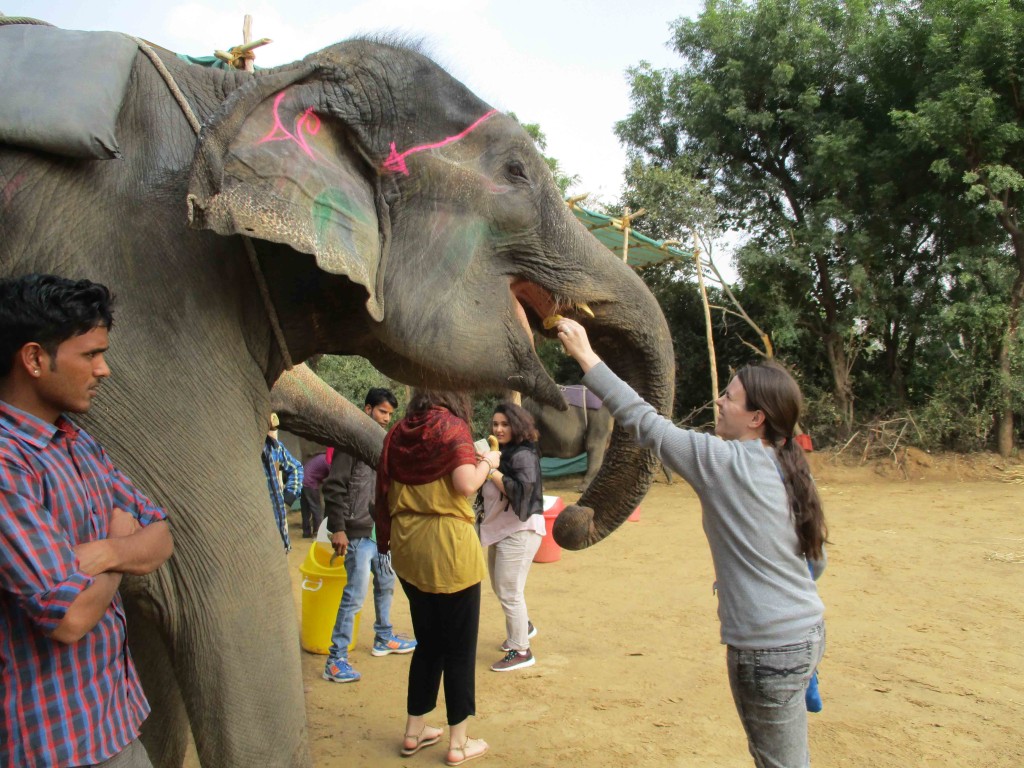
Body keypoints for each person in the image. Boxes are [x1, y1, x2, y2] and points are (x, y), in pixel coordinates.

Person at [555, 317, 827, 768]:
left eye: (730, 397)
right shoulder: (789, 462)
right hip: (808, 632)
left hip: (766, 650)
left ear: (756, 418)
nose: (718, 402)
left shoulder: (721, 462)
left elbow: (643, 420)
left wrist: (586, 356)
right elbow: (814, 563)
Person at [0, 273, 174, 768]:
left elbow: (160, 535)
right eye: (91, 354)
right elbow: (69, 618)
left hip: (113, 721)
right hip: (53, 745)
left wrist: (106, 552)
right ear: (34, 359)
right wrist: (123, 547)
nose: (105, 370)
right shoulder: (6, 464)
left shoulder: (75, 439)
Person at [375, 389, 500, 766]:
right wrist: (489, 464)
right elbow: (465, 484)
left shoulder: (398, 432)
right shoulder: (453, 428)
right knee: (459, 647)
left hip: (409, 547)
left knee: (428, 642)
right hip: (449, 549)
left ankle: (414, 732)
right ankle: (459, 743)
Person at [321, 387, 415, 684]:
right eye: (382, 411)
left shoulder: (385, 445)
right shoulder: (350, 444)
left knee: (386, 584)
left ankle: (384, 637)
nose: (386, 418)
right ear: (367, 409)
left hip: (381, 535)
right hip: (356, 534)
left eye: (390, 413)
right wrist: (338, 528)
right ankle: (335, 660)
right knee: (354, 596)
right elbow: (333, 487)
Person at [479, 402, 545, 672]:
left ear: (517, 426)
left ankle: (521, 650)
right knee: (501, 587)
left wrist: (491, 471)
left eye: (505, 424)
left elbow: (522, 493)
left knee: (509, 591)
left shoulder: (523, 456)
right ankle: (524, 626)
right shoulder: (501, 453)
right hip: (501, 530)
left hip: (520, 531)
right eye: (495, 424)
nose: (498, 429)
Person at [261, 413, 303, 553]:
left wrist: (289, 495)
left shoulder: (275, 448)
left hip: (280, 535)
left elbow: (296, 468)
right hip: (259, 536)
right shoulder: (245, 452)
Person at [300, 450, 330, 538]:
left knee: (305, 510)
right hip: (310, 483)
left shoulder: (321, 457)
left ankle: (306, 533)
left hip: (302, 481)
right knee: (317, 508)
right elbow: (332, 478)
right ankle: (317, 533)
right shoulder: (328, 460)